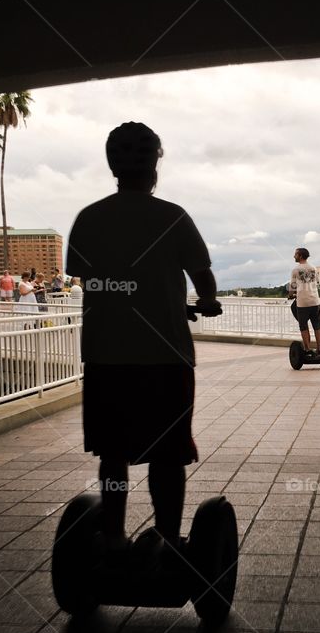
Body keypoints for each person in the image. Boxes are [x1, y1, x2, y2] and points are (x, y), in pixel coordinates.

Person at [66, 120, 218, 568]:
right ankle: (169, 540)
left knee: (113, 453)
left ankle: (112, 537)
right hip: (165, 358)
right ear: (156, 164)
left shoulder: (89, 219)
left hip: (105, 356)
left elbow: (83, 273)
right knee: (167, 454)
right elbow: (202, 275)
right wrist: (206, 301)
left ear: (112, 163)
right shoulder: (173, 216)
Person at [288, 247, 320, 353]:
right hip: (315, 301)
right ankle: (319, 349)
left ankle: (307, 349)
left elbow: (292, 287)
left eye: (295, 254)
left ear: (300, 256)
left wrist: (291, 295)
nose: (294, 256)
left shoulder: (295, 270)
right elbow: (317, 282)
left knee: (303, 326)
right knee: (317, 326)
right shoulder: (314, 268)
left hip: (302, 303)